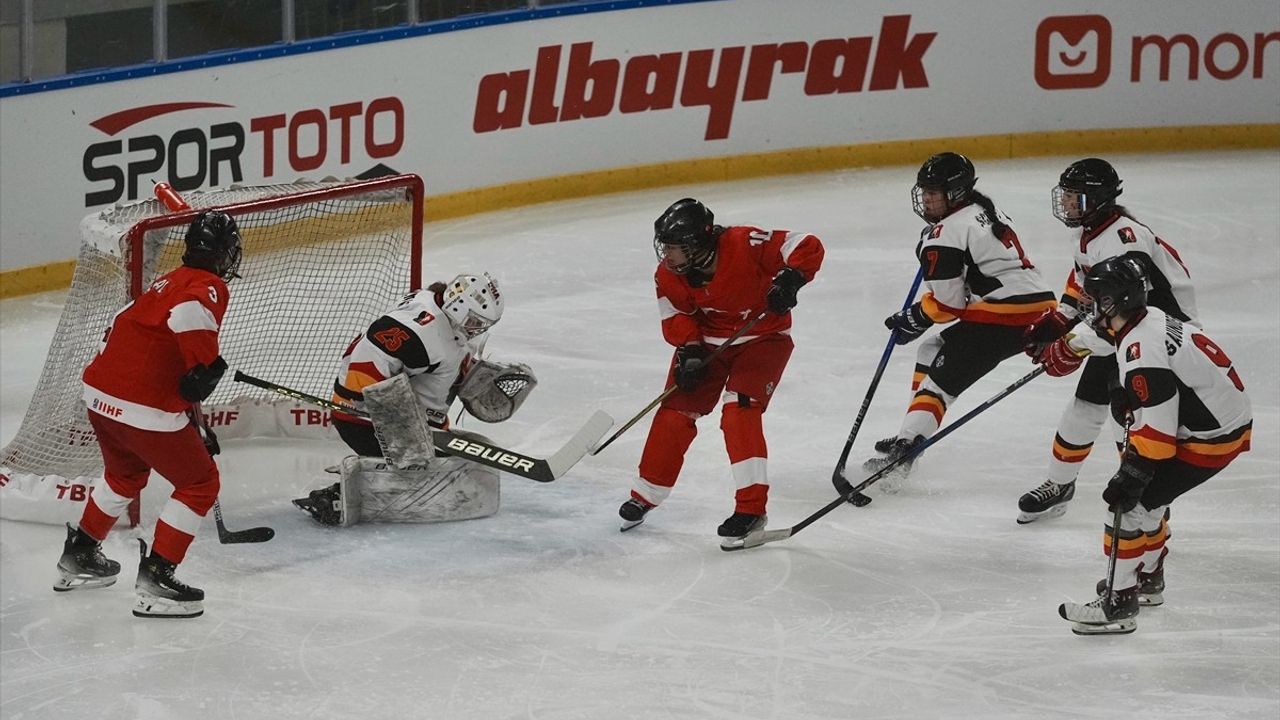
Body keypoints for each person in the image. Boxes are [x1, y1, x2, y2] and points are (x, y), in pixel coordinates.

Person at [54, 210, 242, 619]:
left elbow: (150, 343)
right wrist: (205, 371)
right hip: (141, 407)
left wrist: (194, 397)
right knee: (199, 483)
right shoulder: (206, 286)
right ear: (225, 254)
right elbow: (190, 326)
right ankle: (157, 577)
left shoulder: (165, 282)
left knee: (125, 475)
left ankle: (80, 555)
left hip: (99, 394)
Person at [1057, 256, 1250, 635]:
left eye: (1096, 299)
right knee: (1149, 501)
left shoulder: (1140, 350)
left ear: (1113, 303)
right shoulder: (1147, 319)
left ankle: (1119, 604)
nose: (1092, 307)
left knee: (1128, 505)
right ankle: (1146, 579)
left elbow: (1158, 437)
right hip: (1224, 422)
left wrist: (1133, 473)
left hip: (1210, 438)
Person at [618, 198, 823, 545]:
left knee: (739, 411)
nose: (666, 256)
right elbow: (676, 315)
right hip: (708, 345)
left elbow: (806, 244)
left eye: (674, 248)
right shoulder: (668, 274)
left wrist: (791, 277)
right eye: (664, 247)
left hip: (764, 338)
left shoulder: (745, 243)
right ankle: (646, 494)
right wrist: (690, 349)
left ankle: (751, 509)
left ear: (698, 245)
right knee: (674, 411)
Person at [855, 152, 1056, 493]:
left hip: (1005, 317)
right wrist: (921, 318)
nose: (928, 199)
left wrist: (916, 315)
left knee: (939, 386)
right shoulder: (982, 209)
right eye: (925, 191)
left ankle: (904, 453)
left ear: (958, 192)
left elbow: (949, 305)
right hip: (1036, 306)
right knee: (931, 348)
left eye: (936, 192)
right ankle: (910, 430)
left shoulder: (946, 232)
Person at [1017, 158, 1199, 524]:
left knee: (1128, 421)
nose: (1066, 203)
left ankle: (1143, 501)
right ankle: (1060, 485)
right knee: (1084, 407)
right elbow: (1085, 285)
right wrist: (1059, 320)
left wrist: (1071, 345)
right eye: (1065, 195)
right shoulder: (1089, 230)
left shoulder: (1122, 239)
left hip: (1158, 337)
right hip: (1127, 328)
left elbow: (1125, 310)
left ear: (1097, 198)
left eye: (1074, 197)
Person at [292, 273, 530, 527]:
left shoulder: (448, 320)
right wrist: (397, 422)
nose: (476, 329)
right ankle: (336, 497)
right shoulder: (422, 331)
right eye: (474, 321)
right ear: (457, 306)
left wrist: (474, 378)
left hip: (415, 423)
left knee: (458, 469)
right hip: (365, 423)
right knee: (430, 476)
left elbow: (443, 361)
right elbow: (366, 359)